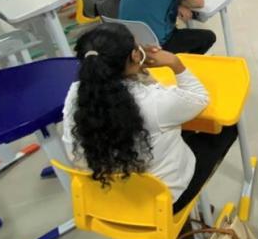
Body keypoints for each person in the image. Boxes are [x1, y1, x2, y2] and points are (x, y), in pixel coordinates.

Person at [62, 23, 237, 213]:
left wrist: (136, 68)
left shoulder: (74, 95)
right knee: (226, 128)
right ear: (135, 55)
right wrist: (174, 63)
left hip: (107, 201)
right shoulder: (154, 102)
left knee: (166, 132)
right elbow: (199, 98)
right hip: (160, 204)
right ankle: (186, 214)